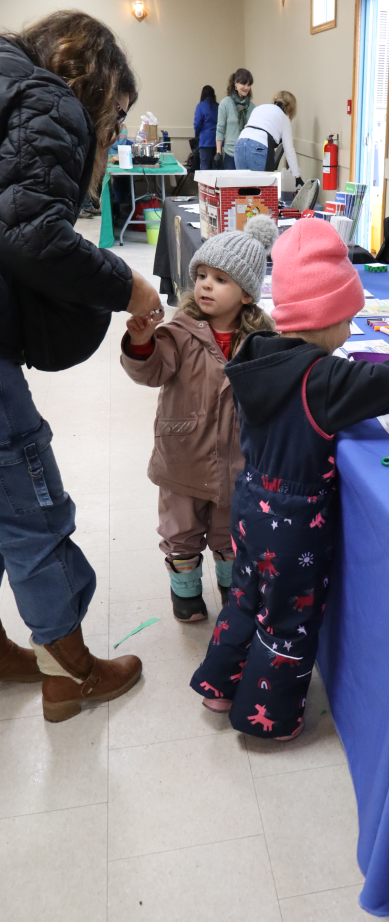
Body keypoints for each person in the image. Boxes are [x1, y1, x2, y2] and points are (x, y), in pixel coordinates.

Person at [189, 219, 389, 740]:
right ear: (330, 316)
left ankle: (219, 683)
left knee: (248, 595)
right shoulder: (325, 376)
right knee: (289, 620)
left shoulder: (256, 354)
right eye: (349, 320)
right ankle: (264, 719)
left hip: (250, 505)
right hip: (296, 522)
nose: (350, 332)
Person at [0, 12, 161, 720]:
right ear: (94, 84)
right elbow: (32, 234)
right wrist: (130, 287)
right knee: (29, 503)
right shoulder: (53, 103)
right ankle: (71, 673)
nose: (115, 133)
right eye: (116, 116)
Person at [121, 216, 277, 623]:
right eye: (202, 275)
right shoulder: (179, 332)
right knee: (181, 534)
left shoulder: (262, 342)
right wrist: (141, 342)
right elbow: (150, 370)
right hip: (183, 458)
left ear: (247, 295)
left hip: (239, 462)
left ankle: (232, 586)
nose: (206, 285)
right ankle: (185, 592)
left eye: (221, 280)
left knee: (231, 534)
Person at [234, 90, 304, 185]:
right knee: (261, 190)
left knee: (242, 187)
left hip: (240, 144)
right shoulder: (284, 118)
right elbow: (289, 150)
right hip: (259, 147)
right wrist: (297, 176)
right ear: (291, 107)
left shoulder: (259, 108)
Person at [215, 68, 255, 170]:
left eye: (249, 85)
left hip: (247, 154)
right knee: (231, 184)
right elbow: (220, 129)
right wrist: (218, 152)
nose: (246, 87)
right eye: (243, 84)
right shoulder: (225, 103)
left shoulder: (252, 107)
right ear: (235, 84)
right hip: (230, 153)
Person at [194, 85, 218, 171]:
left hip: (205, 140)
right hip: (217, 141)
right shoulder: (218, 106)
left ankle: (204, 184)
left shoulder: (200, 106)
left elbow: (197, 123)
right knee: (216, 166)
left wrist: (197, 134)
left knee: (204, 166)